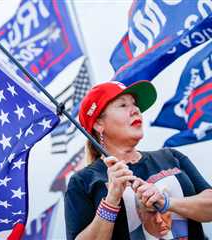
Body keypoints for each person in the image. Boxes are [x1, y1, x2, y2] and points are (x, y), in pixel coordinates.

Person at [64, 80, 212, 240]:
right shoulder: (83, 181)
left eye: (134, 104)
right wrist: (112, 200)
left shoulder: (171, 157)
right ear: (99, 123)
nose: (135, 110)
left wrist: (167, 202)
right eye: (123, 105)